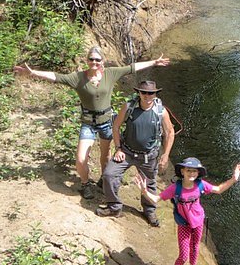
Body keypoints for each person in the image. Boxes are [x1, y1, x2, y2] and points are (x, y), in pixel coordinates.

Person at [13, 47, 169, 199]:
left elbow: (132, 68)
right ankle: (85, 184)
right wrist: (33, 73)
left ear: (102, 61)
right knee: (81, 158)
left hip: (107, 121)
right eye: (91, 59)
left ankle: (104, 180)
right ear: (87, 60)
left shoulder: (111, 73)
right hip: (88, 123)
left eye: (97, 59)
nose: (94, 62)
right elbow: (56, 76)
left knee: (105, 156)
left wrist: (154, 62)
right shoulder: (78, 78)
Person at [142, 157, 240, 265]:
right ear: (182, 171)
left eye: (195, 171)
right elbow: (156, 199)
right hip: (184, 225)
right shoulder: (175, 188)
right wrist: (144, 191)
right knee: (183, 255)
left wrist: (234, 179)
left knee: (195, 247)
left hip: (198, 222)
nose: (192, 174)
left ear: (198, 173)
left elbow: (219, 189)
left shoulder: (200, 185)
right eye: (189, 170)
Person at [97, 79, 175, 225]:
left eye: (150, 93)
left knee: (150, 184)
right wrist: (118, 148)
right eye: (144, 92)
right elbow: (116, 126)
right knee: (109, 174)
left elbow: (170, 132)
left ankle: (149, 211)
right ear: (138, 93)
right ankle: (114, 207)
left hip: (149, 156)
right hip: (126, 151)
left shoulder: (161, 111)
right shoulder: (129, 107)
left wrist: (166, 155)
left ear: (155, 94)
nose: (147, 95)